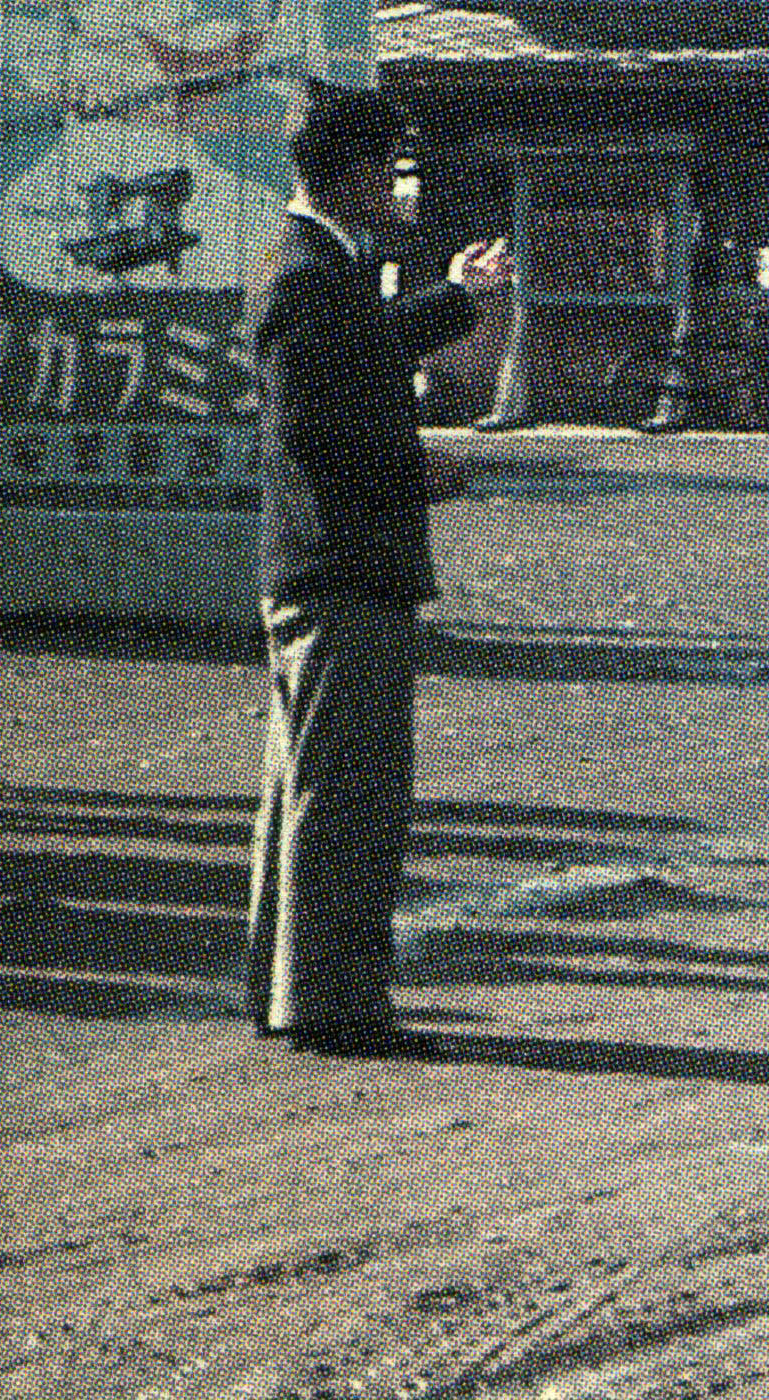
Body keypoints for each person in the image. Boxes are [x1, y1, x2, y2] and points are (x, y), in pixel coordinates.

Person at [245, 83, 506, 1058]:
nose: (399, 184)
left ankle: (290, 987)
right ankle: (336, 1003)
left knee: (308, 787)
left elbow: (355, 359)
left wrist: (455, 300)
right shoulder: (310, 275)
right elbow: (318, 424)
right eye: (390, 167)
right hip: (342, 561)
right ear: (355, 173)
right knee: (349, 795)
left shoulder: (309, 261)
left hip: (323, 560)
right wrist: (419, 468)